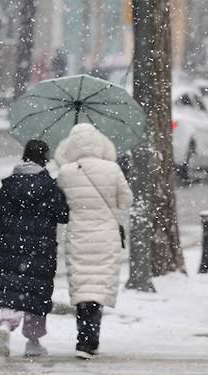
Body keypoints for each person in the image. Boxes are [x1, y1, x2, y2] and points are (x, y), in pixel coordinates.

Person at [0, 140, 69, 357]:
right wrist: (61, 192)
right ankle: (33, 342)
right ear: (45, 158)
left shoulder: (9, 184)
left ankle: (5, 324)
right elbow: (63, 216)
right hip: (40, 248)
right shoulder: (48, 186)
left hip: (11, 247)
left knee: (11, 288)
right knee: (36, 292)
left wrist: (1, 243)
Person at [54, 123, 133, 360]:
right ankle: (91, 341)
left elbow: (61, 203)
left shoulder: (66, 172)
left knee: (83, 287)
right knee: (98, 286)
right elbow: (125, 201)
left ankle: (84, 340)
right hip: (106, 235)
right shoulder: (112, 169)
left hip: (79, 234)